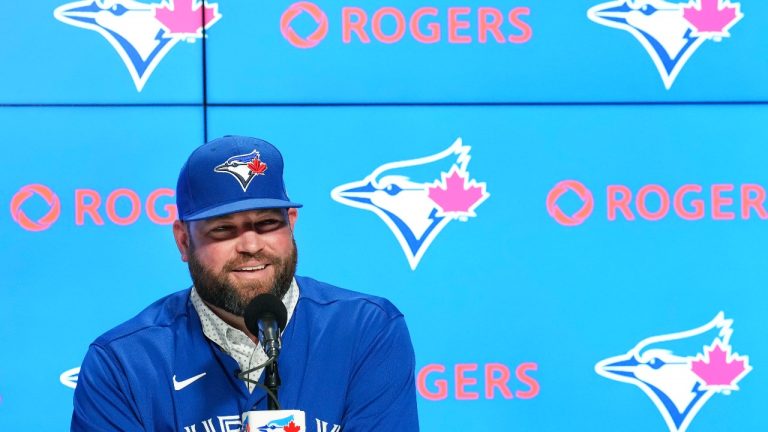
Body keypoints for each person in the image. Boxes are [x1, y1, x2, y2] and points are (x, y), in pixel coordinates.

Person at [71, 136, 419, 431]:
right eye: (223, 229)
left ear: (291, 224)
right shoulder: (124, 362)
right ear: (183, 241)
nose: (251, 246)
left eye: (267, 223)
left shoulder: (365, 331)